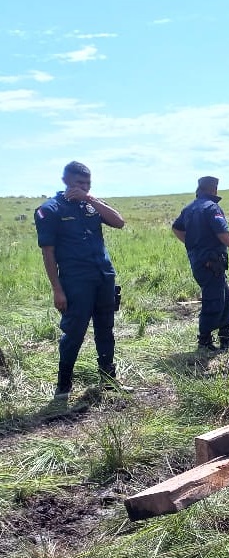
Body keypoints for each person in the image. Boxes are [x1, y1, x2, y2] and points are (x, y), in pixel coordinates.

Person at [35, 161, 127, 410]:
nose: (83, 188)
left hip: (103, 276)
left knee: (105, 329)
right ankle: (63, 389)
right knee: (74, 333)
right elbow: (48, 252)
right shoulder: (50, 210)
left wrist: (92, 198)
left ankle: (109, 381)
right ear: (66, 181)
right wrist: (57, 289)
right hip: (75, 282)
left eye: (87, 184)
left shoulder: (91, 204)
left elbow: (119, 222)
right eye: (79, 183)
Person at [172, 176, 229, 352]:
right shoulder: (211, 207)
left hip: (202, 261)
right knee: (214, 301)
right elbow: (223, 234)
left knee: (225, 299)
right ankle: (205, 341)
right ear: (214, 189)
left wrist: (192, 244)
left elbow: (176, 228)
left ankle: (225, 337)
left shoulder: (189, 208)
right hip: (211, 263)